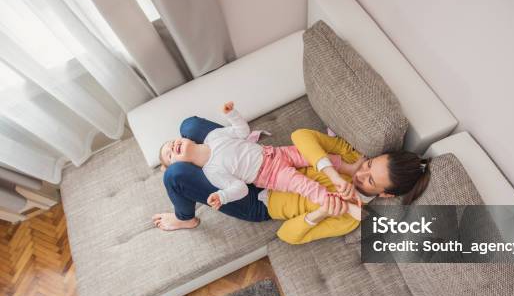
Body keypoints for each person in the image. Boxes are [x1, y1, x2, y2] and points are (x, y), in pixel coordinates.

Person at [153, 118, 431, 244]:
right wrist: (338, 170)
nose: (361, 175)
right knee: (189, 127)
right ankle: (209, 157)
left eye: (370, 180)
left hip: (257, 200)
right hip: (261, 162)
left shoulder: (348, 214)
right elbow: (301, 136)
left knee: (176, 174)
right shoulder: (352, 158)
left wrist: (321, 212)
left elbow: (286, 235)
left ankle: (185, 217)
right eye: (371, 164)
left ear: (385, 195)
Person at [158, 102, 361, 222]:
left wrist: (231, 114)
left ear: (188, 139)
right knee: (305, 185)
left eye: (171, 143)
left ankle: (349, 168)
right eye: (170, 155)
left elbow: (241, 132)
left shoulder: (214, 137)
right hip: (271, 175)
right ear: (182, 165)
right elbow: (240, 189)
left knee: (311, 156)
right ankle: (343, 206)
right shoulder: (212, 172)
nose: (172, 147)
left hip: (275, 153)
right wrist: (223, 196)